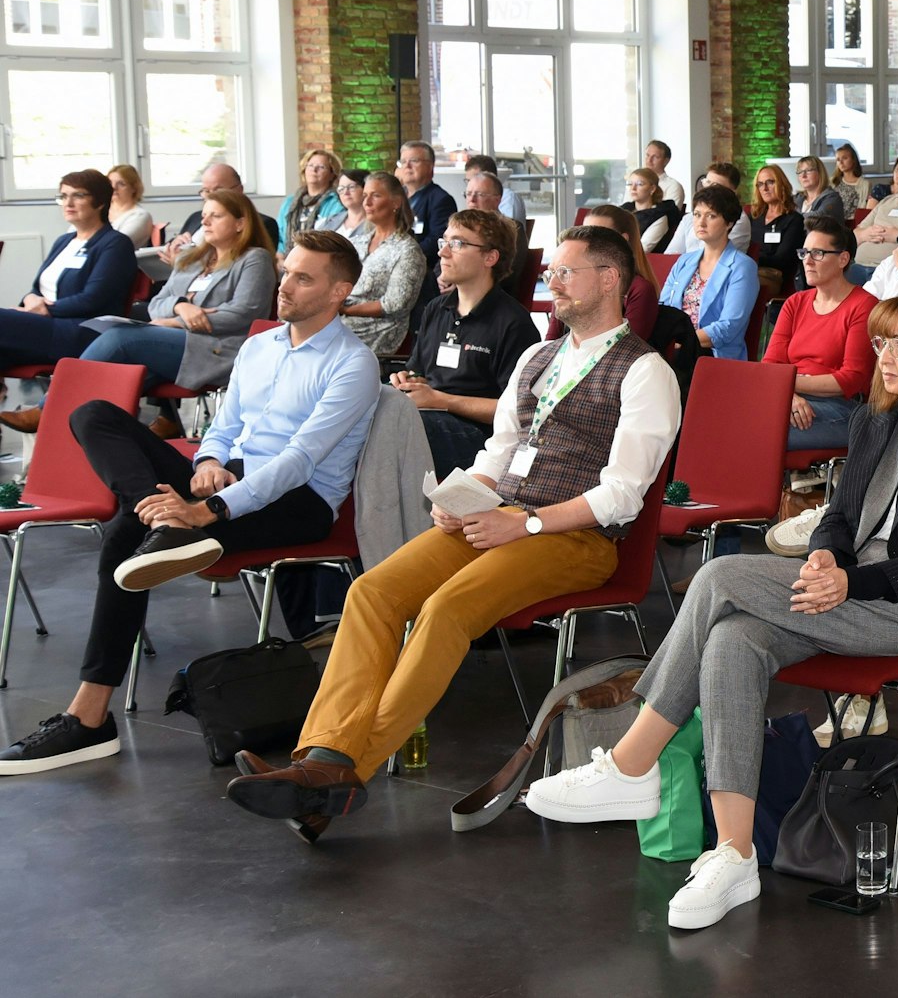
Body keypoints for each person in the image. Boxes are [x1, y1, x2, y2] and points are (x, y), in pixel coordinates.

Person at [523, 292, 898, 931]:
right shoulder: (872, 420)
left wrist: (853, 582)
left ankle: (633, 760)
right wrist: (825, 560)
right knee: (731, 641)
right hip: (847, 588)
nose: (884, 357)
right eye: (883, 343)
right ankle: (735, 854)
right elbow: (838, 517)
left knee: (721, 573)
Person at [223, 226, 677, 839]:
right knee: (372, 594)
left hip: (574, 538)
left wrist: (526, 523)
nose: (552, 283)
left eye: (566, 273)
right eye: (553, 273)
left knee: (445, 608)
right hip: (499, 519)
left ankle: (340, 770)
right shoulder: (538, 357)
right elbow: (501, 451)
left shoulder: (646, 371)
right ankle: (321, 760)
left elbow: (622, 494)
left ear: (610, 280)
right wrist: (460, 496)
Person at [0, 232, 378, 777]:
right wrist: (205, 464)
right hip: (225, 479)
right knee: (93, 416)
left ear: (340, 290)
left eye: (303, 278)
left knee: (125, 535)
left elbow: (298, 462)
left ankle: (88, 718)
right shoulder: (261, 345)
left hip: (298, 499)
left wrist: (210, 510)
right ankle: (156, 515)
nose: (285, 286)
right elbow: (224, 428)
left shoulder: (353, 362)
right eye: (286, 271)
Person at [77, 190, 277, 436]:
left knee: (119, 338)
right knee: (119, 380)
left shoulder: (254, 259)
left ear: (240, 223)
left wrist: (177, 323)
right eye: (204, 215)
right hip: (182, 342)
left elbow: (243, 314)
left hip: (220, 349)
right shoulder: (192, 258)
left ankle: (50, 405)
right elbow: (156, 304)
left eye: (215, 216)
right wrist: (181, 305)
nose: (204, 222)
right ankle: (96, 438)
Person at [393, 208, 540, 475]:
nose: (443, 252)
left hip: (481, 438)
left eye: (457, 244)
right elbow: (420, 373)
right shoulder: (436, 309)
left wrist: (441, 400)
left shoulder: (513, 323)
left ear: (490, 257)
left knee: (404, 427)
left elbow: (519, 412)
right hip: (429, 419)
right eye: (444, 242)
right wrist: (407, 381)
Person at [0, 170, 139, 379]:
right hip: (46, 326)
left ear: (100, 202)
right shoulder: (63, 241)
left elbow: (92, 299)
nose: (68, 203)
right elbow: (37, 289)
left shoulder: (115, 244)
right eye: (63, 196)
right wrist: (29, 300)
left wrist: (42, 309)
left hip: (82, 331)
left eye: (78, 195)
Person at [765, 216, 879, 451]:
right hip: (789, 398)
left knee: (757, 427)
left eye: (818, 253)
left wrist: (787, 385)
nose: (807, 261)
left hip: (842, 408)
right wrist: (788, 396)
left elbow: (851, 379)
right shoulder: (795, 302)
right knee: (731, 413)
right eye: (804, 252)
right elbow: (770, 365)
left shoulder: (864, 305)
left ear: (843, 259)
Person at [660, 185, 760, 361]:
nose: (701, 222)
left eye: (711, 216)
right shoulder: (684, 261)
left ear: (729, 223)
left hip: (713, 356)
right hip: (673, 349)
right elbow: (663, 308)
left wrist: (682, 342)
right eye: (697, 215)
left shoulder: (743, 267)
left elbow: (729, 327)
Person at [338, 172, 425, 356]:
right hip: (340, 320)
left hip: (376, 330)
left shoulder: (407, 250)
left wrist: (345, 309)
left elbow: (394, 305)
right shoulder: (357, 242)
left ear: (396, 202)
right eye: (365, 196)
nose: (367, 203)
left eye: (375, 196)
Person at [566, 205, 661, 343]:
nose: (588, 243)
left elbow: (628, 346)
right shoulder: (570, 281)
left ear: (622, 240)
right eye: (585, 235)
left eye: (599, 236)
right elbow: (551, 340)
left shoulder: (640, 289)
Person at [166, 163, 281, 249]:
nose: (211, 196)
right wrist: (175, 245)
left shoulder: (262, 224)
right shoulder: (195, 218)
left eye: (218, 190)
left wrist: (184, 261)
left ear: (239, 190)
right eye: (206, 190)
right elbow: (170, 248)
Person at [648, 163, 752, 255]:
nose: (708, 189)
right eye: (707, 182)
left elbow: (719, 256)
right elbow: (671, 254)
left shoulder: (736, 219)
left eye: (715, 186)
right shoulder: (690, 217)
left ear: (732, 192)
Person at [394, 141, 458, 287]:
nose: (407, 166)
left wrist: (403, 256)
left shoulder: (441, 200)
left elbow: (437, 240)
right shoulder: (396, 197)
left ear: (430, 167)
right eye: (403, 161)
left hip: (421, 273)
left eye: (414, 161)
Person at [749, 163, 807, 294]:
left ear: (782, 184)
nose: (764, 188)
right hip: (749, 269)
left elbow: (781, 260)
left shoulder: (794, 220)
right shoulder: (754, 217)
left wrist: (751, 257)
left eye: (770, 182)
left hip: (774, 275)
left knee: (741, 282)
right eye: (760, 184)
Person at [277, 150, 345, 256]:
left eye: (321, 167)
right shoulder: (289, 202)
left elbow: (332, 238)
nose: (314, 169)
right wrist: (279, 256)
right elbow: (280, 235)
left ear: (332, 174)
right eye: (310, 165)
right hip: (287, 257)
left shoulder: (337, 203)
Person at [105, 164, 156, 252]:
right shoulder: (99, 210)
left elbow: (117, 244)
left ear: (134, 188)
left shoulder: (140, 216)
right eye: (110, 183)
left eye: (121, 184)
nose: (113, 187)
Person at [461, 154, 526, 222]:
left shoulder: (508, 197)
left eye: (476, 179)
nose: (470, 184)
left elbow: (507, 226)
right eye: (468, 181)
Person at [622, 167, 680, 243]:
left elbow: (644, 249)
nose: (633, 188)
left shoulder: (659, 216)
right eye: (630, 184)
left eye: (639, 184)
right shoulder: (623, 211)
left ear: (652, 189)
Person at [320, 170, 370, 243]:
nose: (346, 193)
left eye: (351, 187)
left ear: (365, 188)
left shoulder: (376, 224)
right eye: (341, 189)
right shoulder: (330, 220)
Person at [794, 154, 845, 220]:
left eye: (808, 170)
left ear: (820, 173)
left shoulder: (832, 198)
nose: (803, 175)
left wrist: (792, 220)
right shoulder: (796, 198)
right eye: (800, 172)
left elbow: (818, 217)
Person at [644, 139, 688, 208]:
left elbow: (669, 215)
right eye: (647, 155)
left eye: (655, 157)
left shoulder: (673, 186)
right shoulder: (635, 183)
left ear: (666, 161)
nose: (649, 160)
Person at [830, 143, 870, 216]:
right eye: (838, 160)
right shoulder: (832, 182)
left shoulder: (864, 184)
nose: (841, 162)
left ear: (853, 160)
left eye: (845, 158)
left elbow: (862, 208)